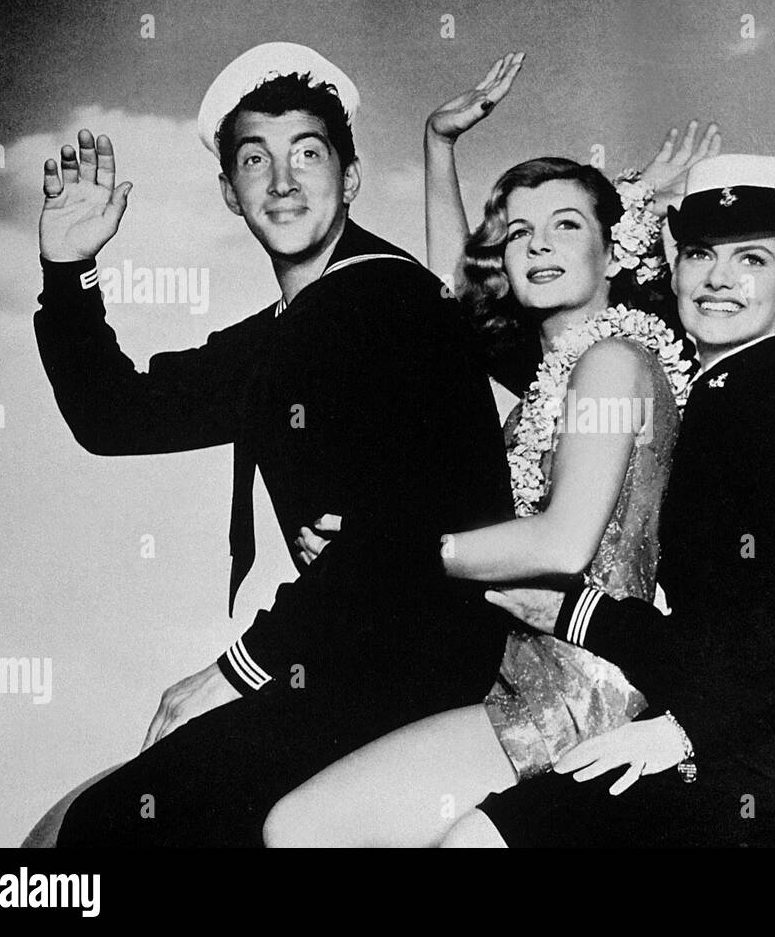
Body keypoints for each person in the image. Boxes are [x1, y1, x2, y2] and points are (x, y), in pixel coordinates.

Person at [35, 43, 512, 846]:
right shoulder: (294, 325)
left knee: (112, 831)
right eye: (256, 160)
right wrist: (68, 268)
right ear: (230, 192)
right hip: (346, 658)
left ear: (351, 177)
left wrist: (234, 671)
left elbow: (397, 534)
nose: (283, 182)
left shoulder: (387, 305)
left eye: (309, 154)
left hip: (422, 667)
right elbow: (118, 416)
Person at [439, 152, 775, 847]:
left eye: (751, 261)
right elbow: (490, 328)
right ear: (672, 270)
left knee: (478, 842)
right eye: (699, 254)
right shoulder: (682, 388)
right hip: (695, 728)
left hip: (755, 766)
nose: (718, 279)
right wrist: (447, 154)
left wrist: (681, 729)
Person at [262, 61, 718, 847]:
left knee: (304, 830)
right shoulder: (560, 368)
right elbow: (449, 289)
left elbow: (562, 542)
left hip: (581, 692)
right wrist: (439, 144)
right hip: (521, 678)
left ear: (615, 253)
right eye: (519, 234)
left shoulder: (613, 361)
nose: (538, 246)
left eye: (566, 226)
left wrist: (379, 554)